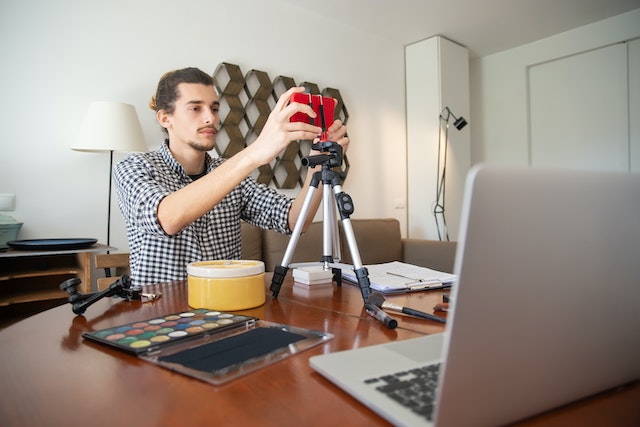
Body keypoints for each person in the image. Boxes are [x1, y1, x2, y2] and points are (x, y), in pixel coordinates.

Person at [114, 67, 349, 286]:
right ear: (165, 118)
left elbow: (295, 220)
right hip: (160, 315)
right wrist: (255, 152)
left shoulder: (229, 172)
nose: (211, 118)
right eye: (196, 108)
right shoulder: (135, 167)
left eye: (214, 109)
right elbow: (168, 218)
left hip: (226, 309)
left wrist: (319, 165)